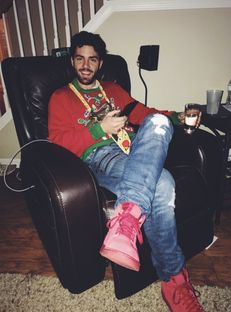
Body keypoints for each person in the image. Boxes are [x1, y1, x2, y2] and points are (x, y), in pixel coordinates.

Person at [48, 31, 204, 312]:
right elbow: (57, 144)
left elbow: (145, 113)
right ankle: (174, 279)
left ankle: (127, 217)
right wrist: (99, 129)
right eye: (80, 58)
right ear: (72, 61)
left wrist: (176, 118)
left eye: (92, 59)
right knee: (163, 183)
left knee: (157, 123)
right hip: (98, 158)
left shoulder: (114, 91)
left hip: (133, 153)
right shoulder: (60, 98)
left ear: (100, 63)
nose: (86, 65)